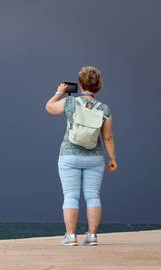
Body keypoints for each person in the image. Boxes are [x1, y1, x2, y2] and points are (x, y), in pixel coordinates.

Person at [45, 65, 118, 246]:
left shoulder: (70, 103)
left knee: (70, 196)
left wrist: (59, 92)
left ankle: (71, 236)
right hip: (94, 158)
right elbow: (107, 137)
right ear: (98, 85)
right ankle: (92, 236)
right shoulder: (104, 109)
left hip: (69, 156)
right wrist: (112, 159)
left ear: (80, 84)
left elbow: (49, 108)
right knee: (93, 196)